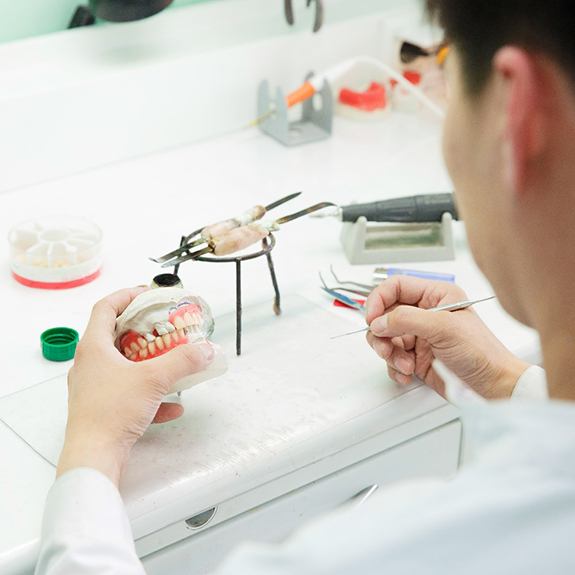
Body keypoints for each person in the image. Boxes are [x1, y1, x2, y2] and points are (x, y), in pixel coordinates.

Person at [36, 0, 575, 573]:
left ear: (517, 115)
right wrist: (503, 381)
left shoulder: (390, 554)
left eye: (444, 66)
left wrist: (90, 444)